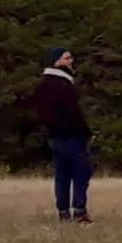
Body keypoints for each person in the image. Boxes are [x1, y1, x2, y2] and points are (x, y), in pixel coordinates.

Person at [29, 46, 93, 225]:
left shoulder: (42, 85)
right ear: (56, 61)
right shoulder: (63, 84)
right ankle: (80, 212)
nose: (71, 61)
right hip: (72, 136)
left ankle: (63, 213)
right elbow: (74, 113)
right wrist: (86, 133)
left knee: (62, 176)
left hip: (54, 137)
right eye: (67, 58)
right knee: (80, 174)